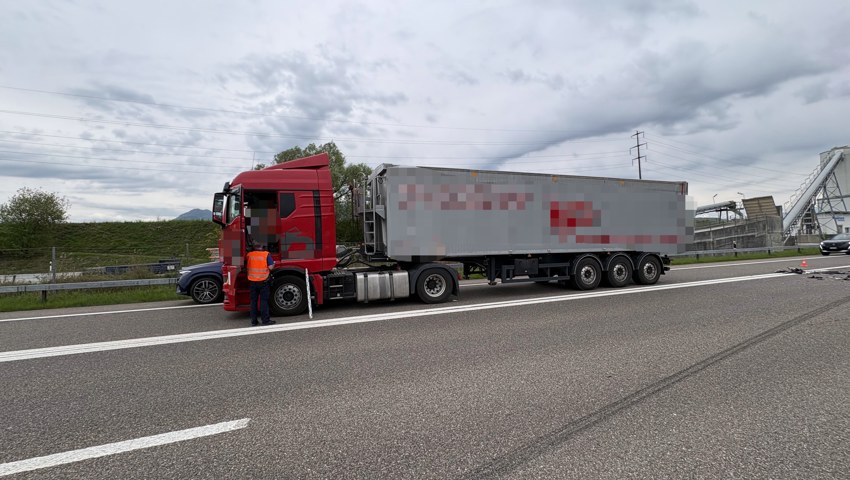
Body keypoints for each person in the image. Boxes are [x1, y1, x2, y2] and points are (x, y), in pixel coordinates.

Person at [246, 244, 275, 326]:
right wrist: (274, 264)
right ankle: (265, 320)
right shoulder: (266, 254)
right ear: (262, 248)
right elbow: (271, 267)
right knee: (264, 301)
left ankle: (254, 321)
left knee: (253, 302)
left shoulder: (249, 255)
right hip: (263, 281)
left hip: (252, 281)